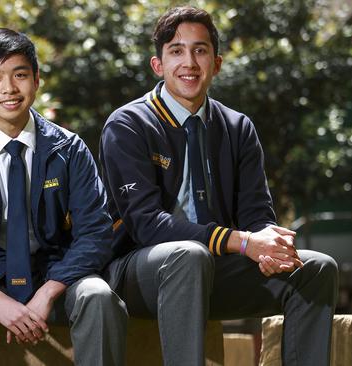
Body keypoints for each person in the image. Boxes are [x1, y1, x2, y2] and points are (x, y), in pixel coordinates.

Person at [100, 6, 338, 366]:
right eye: (176, 51)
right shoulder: (129, 124)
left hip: (214, 270)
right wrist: (242, 242)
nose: (189, 62)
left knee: (317, 268)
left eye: (200, 50)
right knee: (188, 256)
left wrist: (270, 243)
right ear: (157, 65)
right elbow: (146, 223)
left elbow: (257, 213)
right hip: (135, 274)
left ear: (217, 62)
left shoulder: (237, 127)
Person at [0, 28, 127, 366]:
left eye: (19, 75)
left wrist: (48, 291)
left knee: (99, 295)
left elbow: (96, 233)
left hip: (58, 279)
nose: (9, 89)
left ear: (37, 80)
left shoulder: (69, 150)